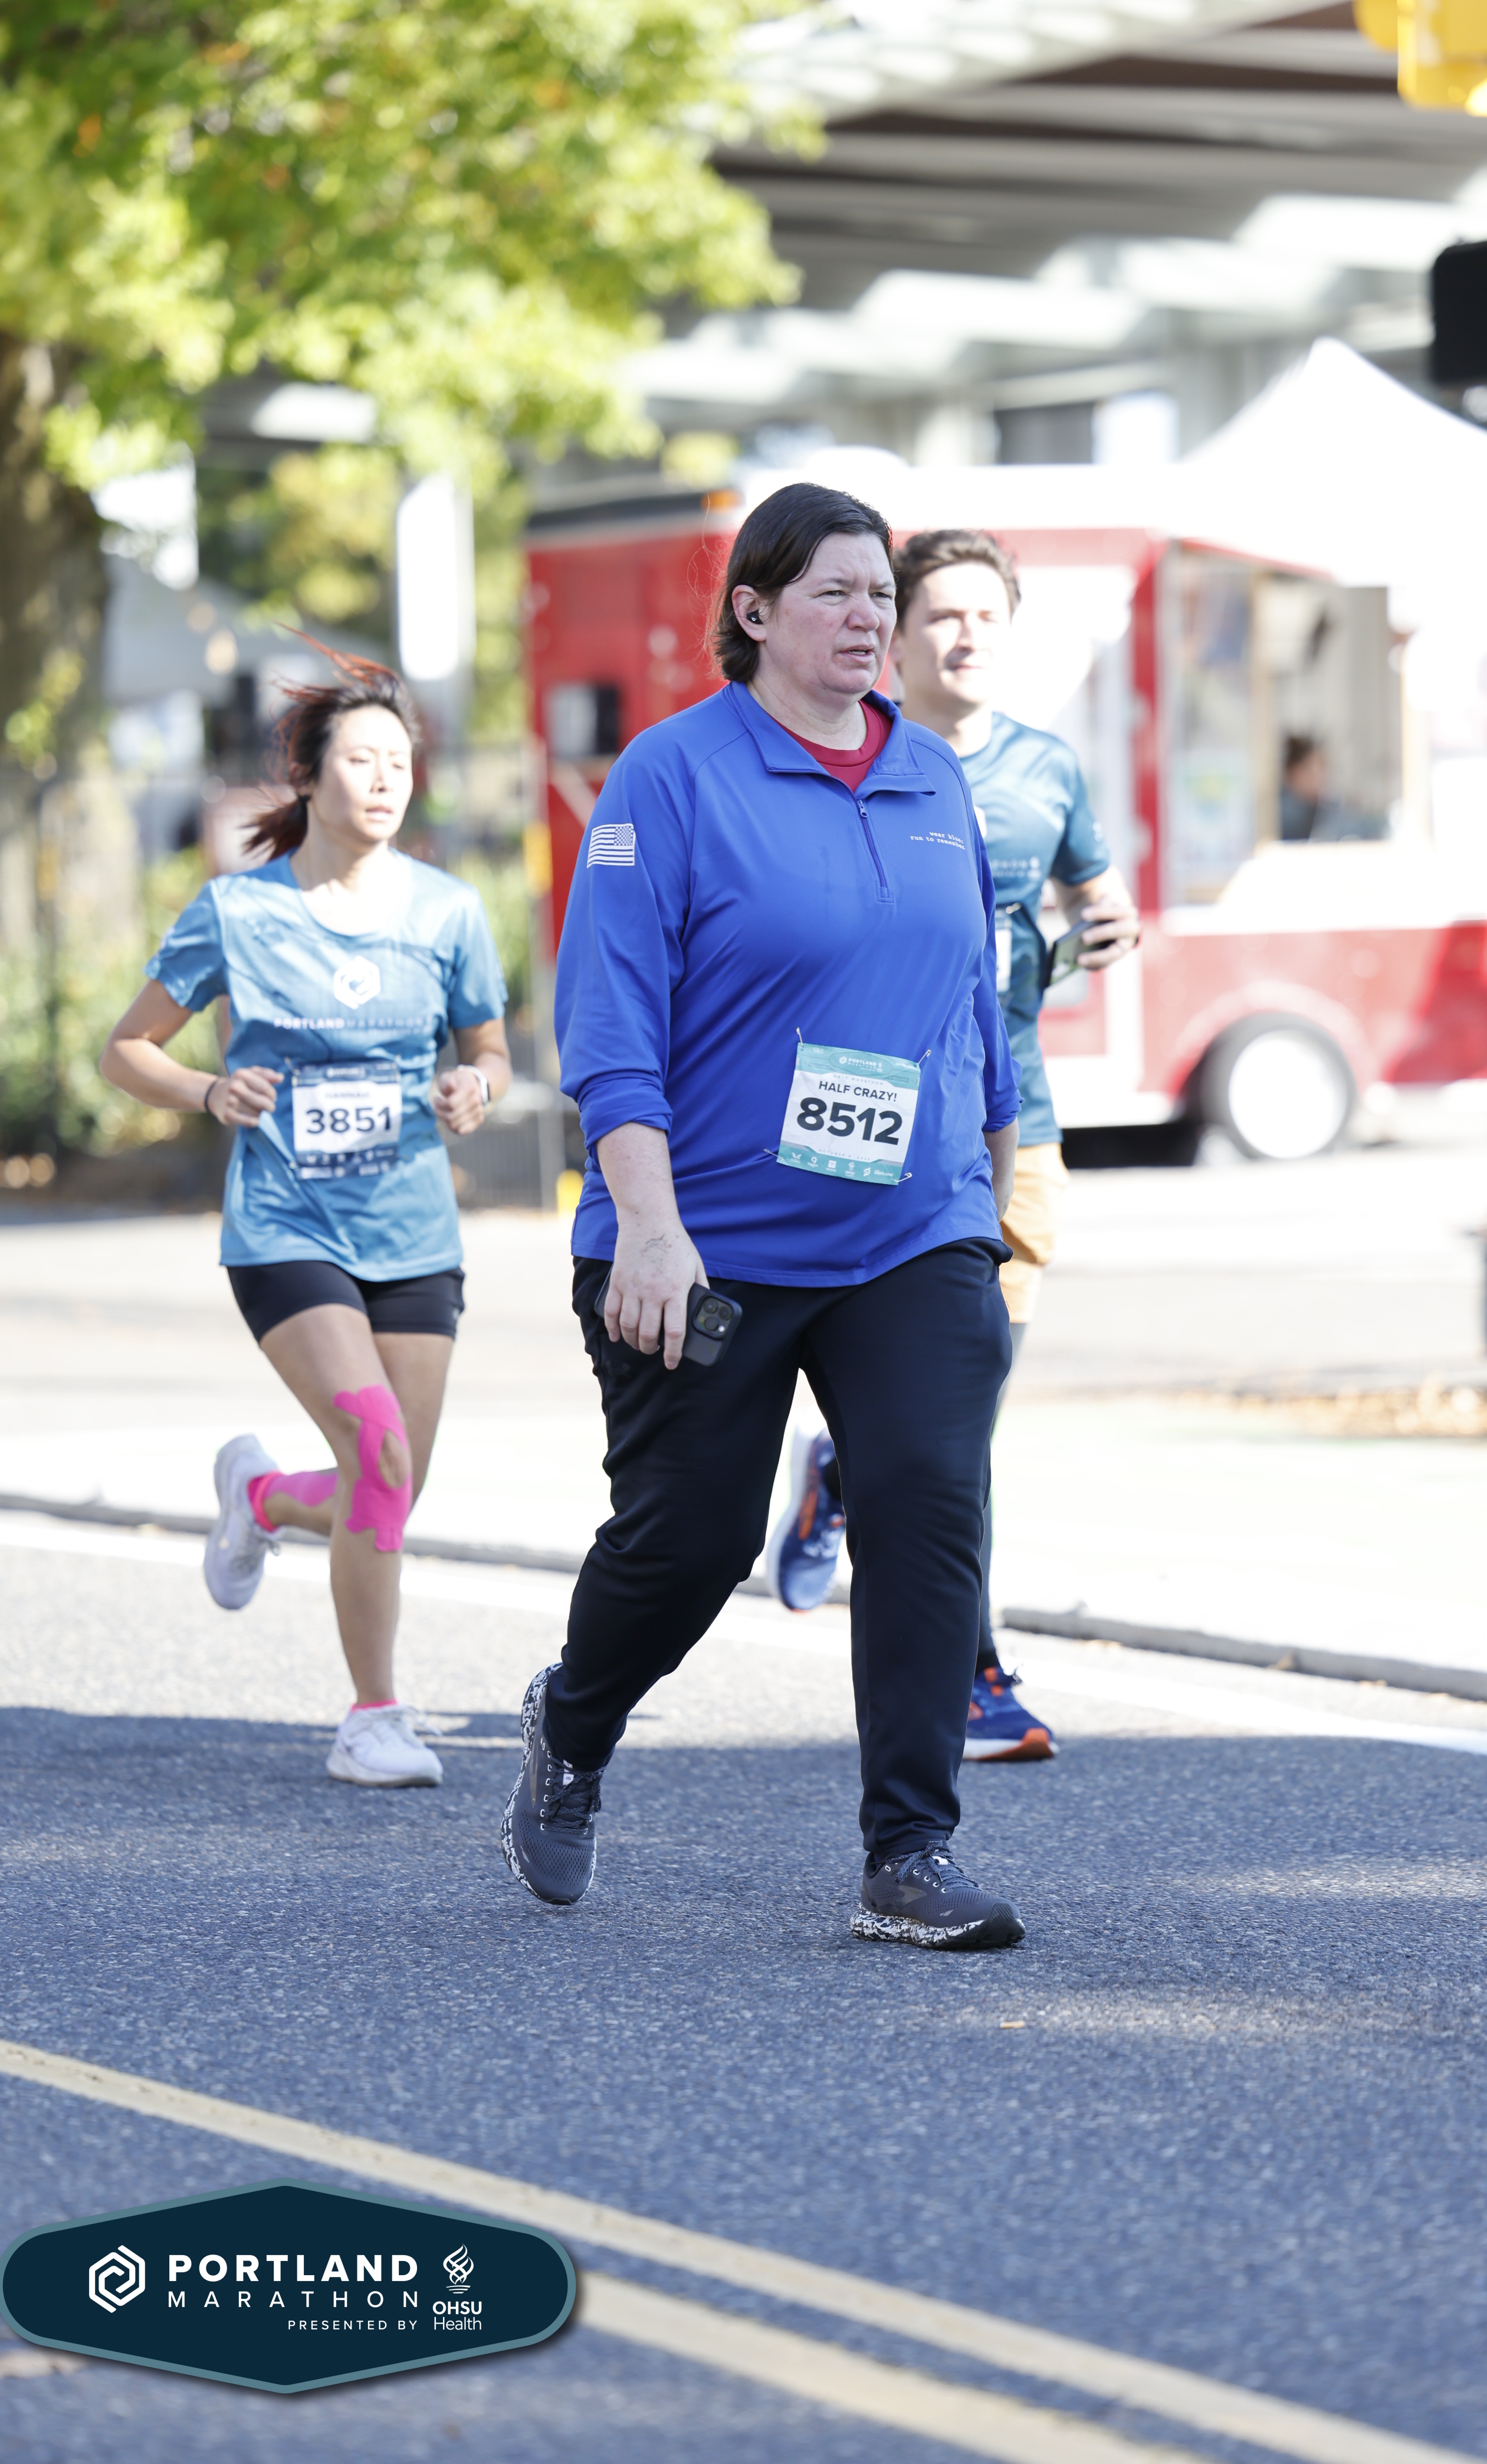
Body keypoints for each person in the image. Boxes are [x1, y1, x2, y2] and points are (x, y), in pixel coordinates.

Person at [504, 479, 1025, 1951]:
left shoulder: (932, 781)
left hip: (910, 1233)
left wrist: (989, 1200)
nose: (868, 621)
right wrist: (648, 1225)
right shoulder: (671, 778)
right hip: (705, 1239)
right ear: (754, 610)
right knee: (694, 1542)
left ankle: (910, 1851)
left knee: (928, 1496)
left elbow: (971, 1015)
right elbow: (611, 1027)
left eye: (881, 596)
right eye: (834, 594)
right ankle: (575, 1723)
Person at [100, 650, 510, 1787]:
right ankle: (373, 1717)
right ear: (309, 774)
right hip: (287, 1226)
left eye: (401, 764)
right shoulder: (238, 912)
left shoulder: (449, 911)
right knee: (379, 1452)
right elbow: (126, 1049)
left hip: (414, 1229)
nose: (385, 781)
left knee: (389, 1483)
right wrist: (207, 1092)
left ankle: (262, 1497)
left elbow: (488, 1048)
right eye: (362, 760)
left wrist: (475, 1087)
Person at [772, 527, 1138, 1762]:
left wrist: (1104, 929)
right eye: (942, 614)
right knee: (934, 1431)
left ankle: (844, 1474)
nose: (965, 635)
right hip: (873, 1117)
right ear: (898, 633)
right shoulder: (851, 759)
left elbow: (1094, 897)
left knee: (959, 1415)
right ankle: (970, 1672)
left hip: (1012, 1120)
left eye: (988, 615)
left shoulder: (1046, 767)